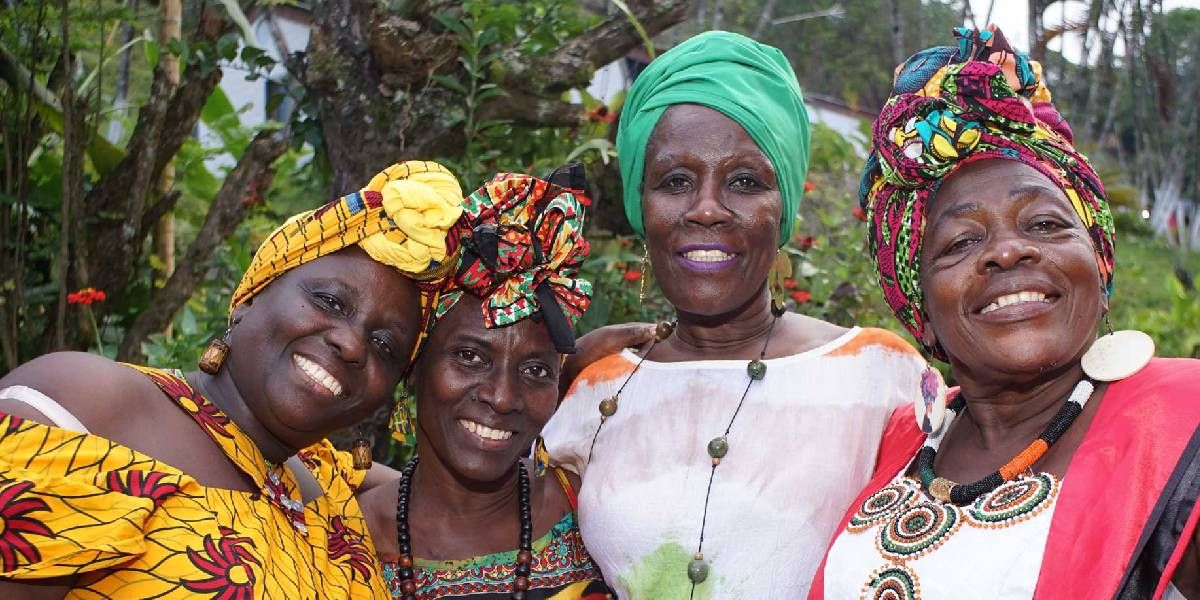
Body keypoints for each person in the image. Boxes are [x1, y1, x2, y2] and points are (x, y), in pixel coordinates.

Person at [540, 31, 933, 599]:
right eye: (676, 181)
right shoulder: (593, 389)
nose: (705, 208)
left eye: (745, 182)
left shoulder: (880, 375)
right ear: (640, 205)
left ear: (784, 209)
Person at [810, 27, 1200, 599]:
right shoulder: (901, 440)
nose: (1007, 250)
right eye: (961, 242)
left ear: (1098, 261)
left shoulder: (1182, 426)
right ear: (918, 312)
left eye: (1045, 224)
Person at [0, 161, 465, 598]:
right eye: (329, 301)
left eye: (385, 346)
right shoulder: (86, 406)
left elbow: (484, 499)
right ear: (251, 295)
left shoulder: (334, 489)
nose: (351, 344)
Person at [357, 170, 613, 599]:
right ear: (414, 363)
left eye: (535, 371)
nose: (503, 397)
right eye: (470, 357)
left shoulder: (597, 509)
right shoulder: (347, 543)